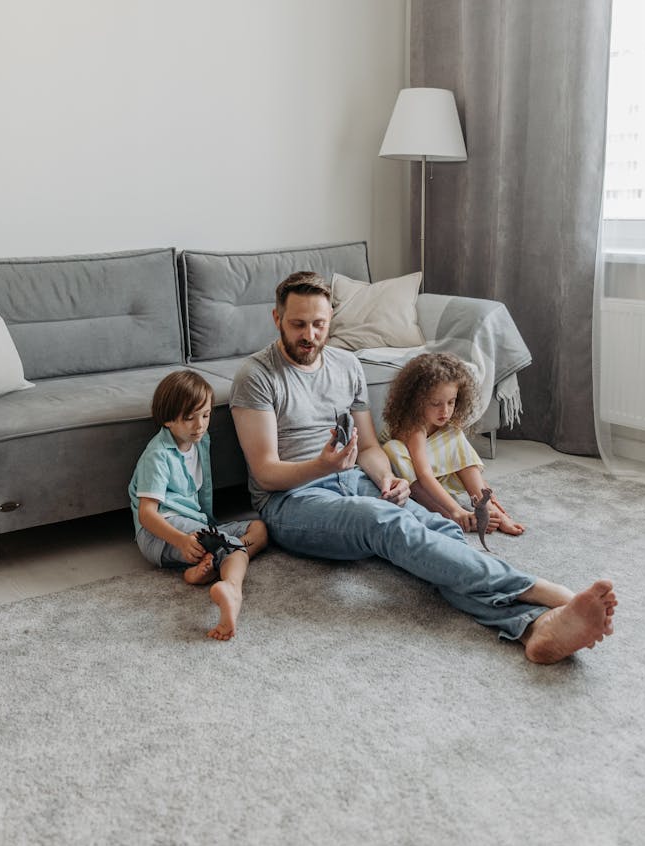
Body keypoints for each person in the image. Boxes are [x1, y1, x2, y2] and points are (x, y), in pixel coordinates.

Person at [229, 272, 616, 663]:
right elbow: (266, 473)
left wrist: (388, 479)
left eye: (319, 324)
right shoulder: (257, 376)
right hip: (292, 500)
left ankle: (533, 627)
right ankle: (543, 592)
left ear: (331, 320)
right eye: (298, 324)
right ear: (277, 318)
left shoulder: (347, 365)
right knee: (385, 522)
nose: (309, 335)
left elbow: (368, 447)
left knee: (440, 529)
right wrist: (321, 466)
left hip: (353, 480)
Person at [129, 370, 268, 640]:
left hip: (196, 524)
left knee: (259, 529)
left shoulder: (200, 442)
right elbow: (147, 515)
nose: (200, 425)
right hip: (163, 529)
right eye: (190, 418)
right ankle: (231, 586)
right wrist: (181, 541)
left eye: (205, 415)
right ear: (168, 419)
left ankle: (211, 564)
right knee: (232, 547)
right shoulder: (157, 456)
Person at [381, 352, 525, 536]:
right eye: (436, 403)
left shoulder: (444, 422)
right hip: (411, 481)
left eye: (451, 402)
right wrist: (457, 510)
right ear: (417, 401)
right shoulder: (414, 426)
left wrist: (487, 496)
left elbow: (462, 459)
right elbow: (424, 475)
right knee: (393, 449)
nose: (445, 411)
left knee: (454, 434)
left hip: (436, 475)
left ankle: (488, 509)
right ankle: (451, 516)